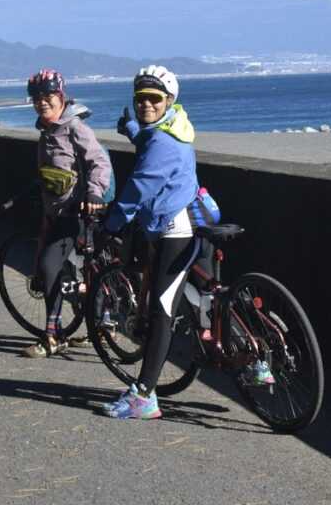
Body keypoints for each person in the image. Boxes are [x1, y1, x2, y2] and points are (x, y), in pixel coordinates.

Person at [102, 65, 274, 421]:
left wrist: (111, 224)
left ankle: (144, 396)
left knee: (161, 312)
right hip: (196, 217)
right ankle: (255, 358)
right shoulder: (171, 127)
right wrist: (131, 130)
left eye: (154, 99)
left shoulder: (162, 143)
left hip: (174, 230)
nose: (146, 105)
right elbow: (149, 140)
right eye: (140, 99)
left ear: (169, 101)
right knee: (209, 295)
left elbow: (139, 188)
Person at [23, 69, 113, 358]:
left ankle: (54, 336)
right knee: (72, 272)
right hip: (57, 212)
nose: (42, 102)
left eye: (48, 97)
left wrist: (95, 192)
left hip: (78, 213)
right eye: (36, 98)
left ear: (60, 97)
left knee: (51, 268)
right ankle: (100, 323)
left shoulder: (74, 127)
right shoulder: (46, 130)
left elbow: (99, 161)